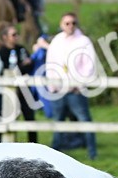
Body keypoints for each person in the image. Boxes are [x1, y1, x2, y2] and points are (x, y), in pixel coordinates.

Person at [42, 13, 98, 160]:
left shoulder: (83, 41)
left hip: (76, 90)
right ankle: (54, 155)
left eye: (73, 23)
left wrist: (78, 84)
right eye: (67, 23)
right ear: (61, 24)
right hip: (58, 89)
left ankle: (92, 152)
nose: (70, 26)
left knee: (84, 120)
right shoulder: (57, 40)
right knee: (58, 123)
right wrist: (53, 85)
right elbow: (50, 63)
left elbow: (89, 65)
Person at [0, 23, 37, 143]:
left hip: (24, 89)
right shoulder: (1, 52)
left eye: (17, 34)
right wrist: (21, 65)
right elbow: (4, 69)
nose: (16, 37)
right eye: (13, 34)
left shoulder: (21, 49)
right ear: (5, 37)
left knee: (30, 117)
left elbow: (30, 65)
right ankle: (10, 145)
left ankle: (33, 144)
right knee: (10, 118)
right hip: (10, 90)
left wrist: (24, 66)